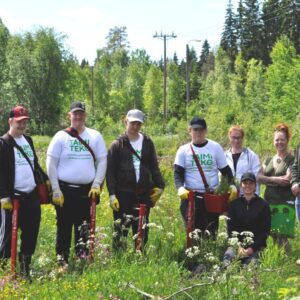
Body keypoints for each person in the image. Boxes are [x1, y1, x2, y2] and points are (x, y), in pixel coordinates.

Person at [46, 101, 107, 267]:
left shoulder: (95, 136)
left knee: (84, 227)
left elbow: (102, 161)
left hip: (86, 191)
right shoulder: (60, 136)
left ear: (85, 116)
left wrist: (97, 184)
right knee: (64, 226)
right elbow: (51, 163)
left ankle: (82, 260)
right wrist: (56, 189)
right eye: (75, 113)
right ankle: (62, 262)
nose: (78, 116)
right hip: (64, 190)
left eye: (81, 113)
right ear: (69, 115)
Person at [106, 109, 165, 250]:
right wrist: (112, 194)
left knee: (142, 227)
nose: (135, 126)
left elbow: (154, 166)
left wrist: (160, 187)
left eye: (138, 123)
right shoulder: (117, 145)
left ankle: (140, 255)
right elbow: (110, 172)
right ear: (126, 121)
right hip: (123, 192)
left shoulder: (147, 142)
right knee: (121, 228)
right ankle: (119, 258)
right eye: (132, 123)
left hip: (143, 192)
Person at [0, 105, 44, 279]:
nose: (22, 125)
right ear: (10, 121)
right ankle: (5, 273)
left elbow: (34, 165)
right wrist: (3, 195)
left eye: (25, 122)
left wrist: (45, 181)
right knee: (7, 237)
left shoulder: (29, 140)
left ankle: (25, 269)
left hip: (31, 195)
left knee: (31, 233)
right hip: (12, 198)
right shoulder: (3, 143)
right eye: (19, 122)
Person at [174, 117, 236, 236]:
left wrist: (232, 185)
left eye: (202, 129)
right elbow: (178, 173)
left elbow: (225, 170)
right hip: (191, 197)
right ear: (189, 130)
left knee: (211, 232)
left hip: (211, 197)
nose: (198, 132)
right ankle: (194, 254)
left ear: (206, 131)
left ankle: (210, 252)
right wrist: (180, 188)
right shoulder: (183, 150)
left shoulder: (215, 147)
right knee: (193, 234)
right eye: (195, 129)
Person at [257, 123, 295, 250]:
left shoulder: (292, 159)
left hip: (284, 201)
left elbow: (286, 179)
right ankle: (279, 261)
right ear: (273, 141)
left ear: (287, 140)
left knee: (282, 235)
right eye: (277, 140)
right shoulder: (268, 159)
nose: (279, 142)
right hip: (269, 201)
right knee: (272, 233)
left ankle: (287, 261)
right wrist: (274, 179)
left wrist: (267, 180)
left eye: (282, 139)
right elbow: (258, 177)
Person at [223, 172, 271, 266]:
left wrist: (251, 249)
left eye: (251, 183)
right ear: (241, 185)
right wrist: (239, 247)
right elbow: (230, 230)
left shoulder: (263, 205)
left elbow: (265, 231)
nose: (248, 186)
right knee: (227, 264)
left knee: (250, 268)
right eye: (245, 183)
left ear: (255, 185)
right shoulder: (234, 205)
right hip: (236, 245)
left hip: (256, 246)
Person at [225, 125, 260, 195]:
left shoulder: (251, 155)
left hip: (247, 196)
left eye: (239, 138)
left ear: (242, 138)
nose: (236, 140)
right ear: (229, 137)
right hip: (229, 197)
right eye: (234, 137)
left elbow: (257, 177)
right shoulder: (224, 156)